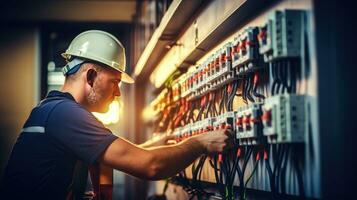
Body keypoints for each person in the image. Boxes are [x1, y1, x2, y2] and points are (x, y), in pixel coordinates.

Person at [0, 30, 232, 199]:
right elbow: (151, 166)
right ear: (90, 76)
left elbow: (110, 154)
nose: (118, 92)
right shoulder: (65, 114)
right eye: (114, 82)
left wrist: (152, 145)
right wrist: (199, 143)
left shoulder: (53, 110)